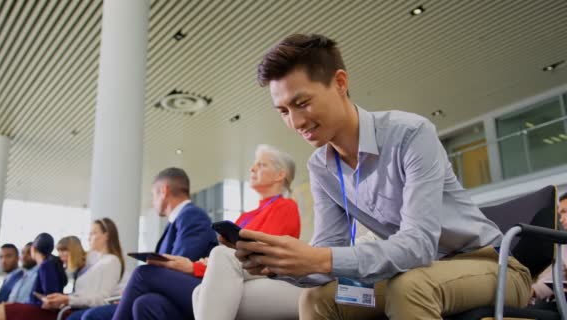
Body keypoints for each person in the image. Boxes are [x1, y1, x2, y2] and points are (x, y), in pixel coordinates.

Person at [234, 33, 532, 319]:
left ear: (340, 83)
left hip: (492, 266)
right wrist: (282, 264)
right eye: (283, 111)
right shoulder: (321, 167)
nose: (295, 121)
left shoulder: (411, 134)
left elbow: (418, 245)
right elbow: (326, 253)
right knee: (316, 300)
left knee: (410, 288)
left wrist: (320, 257)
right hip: (416, 272)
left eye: (302, 103)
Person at [82, 168, 218, 320]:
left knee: (142, 274)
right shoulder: (175, 222)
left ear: (163, 190)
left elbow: (179, 264)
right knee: (143, 303)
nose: (152, 201)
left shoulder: (192, 216)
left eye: (153, 195)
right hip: (177, 294)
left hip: (198, 291)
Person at [192, 144, 303, 320]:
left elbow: (267, 252)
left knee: (220, 254)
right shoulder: (246, 216)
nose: (252, 168)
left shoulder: (286, 206)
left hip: (272, 275)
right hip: (244, 271)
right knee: (199, 291)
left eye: (261, 165)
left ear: (280, 175)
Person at [0, 233, 68, 320]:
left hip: (40, 309)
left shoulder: (45, 266)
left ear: (34, 249)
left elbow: (50, 294)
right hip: (37, 306)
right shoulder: (48, 265)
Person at [530, 192, 567, 311]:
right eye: (560, 213)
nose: (561, 219)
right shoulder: (564, 246)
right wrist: (531, 292)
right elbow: (554, 278)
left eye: (564, 212)